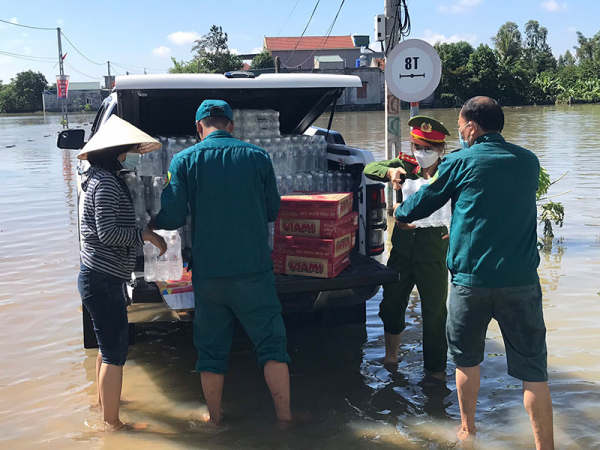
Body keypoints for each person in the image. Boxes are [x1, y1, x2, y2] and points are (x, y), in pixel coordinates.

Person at [394, 97, 554, 449]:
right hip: (521, 283)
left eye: (461, 125)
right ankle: (547, 446)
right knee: (534, 374)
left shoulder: (459, 161)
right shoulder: (528, 161)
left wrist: (401, 213)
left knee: (467, 362)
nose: (461, 132)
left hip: (471, 283)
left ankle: (468, 430)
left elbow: (427, 200)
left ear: (471, 127)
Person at [150, 100, 292, 424]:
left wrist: (149, 227)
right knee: (272, 345)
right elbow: (273, 209)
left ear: (199, 127)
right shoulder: (258, 157)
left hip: (210, 276)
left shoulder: (184, 160)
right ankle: (285, 419)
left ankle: (214, 421)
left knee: (211, 352)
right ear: (231, 125)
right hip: (254, 272)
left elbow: (171, 217)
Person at [77, 116, 167, 431]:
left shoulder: (98, 178)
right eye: (126, 150)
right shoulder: (104, 183)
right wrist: (145, 235)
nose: (128, 155)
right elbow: (108, 234)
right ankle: (112, 424)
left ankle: (105, 404)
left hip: (100, 276)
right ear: (116, 151)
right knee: (116, 351)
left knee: (107, 346)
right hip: (101, 278)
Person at [364, 116, 451, 379]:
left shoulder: (448, 170)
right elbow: (370, 168)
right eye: (417, 147)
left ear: (440, 150)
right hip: (402, 249)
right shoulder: (405, 165)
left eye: (428, 149)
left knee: (435, 314)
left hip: (435, 249)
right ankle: (391, 359)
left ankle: (435, 371)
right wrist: (389, 172)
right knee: (391, 304)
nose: (421, 153)